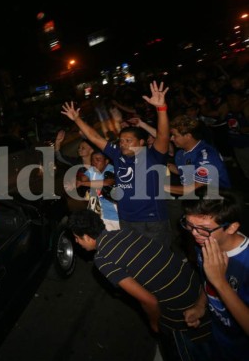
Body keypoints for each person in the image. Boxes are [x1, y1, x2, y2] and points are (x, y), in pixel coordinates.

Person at [70, 209, 213, 361]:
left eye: (77, 238)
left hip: (183, 313)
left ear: (86, 236)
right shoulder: (125, 232)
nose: (77, 242)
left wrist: (154, 323)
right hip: (200, 291)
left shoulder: (103, 259)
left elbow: (149, 300)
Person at [62, 81, 172, 247]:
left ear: (141, 142)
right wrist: (77, 119)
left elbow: (163, 136)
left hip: (152, 221)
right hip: (126, 220)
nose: (123, 144)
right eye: (121, 141)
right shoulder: (117, 155)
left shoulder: (152, 157)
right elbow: (95, 138)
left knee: (157, 261)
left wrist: (161, 109)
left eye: (129, 140)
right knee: (136, 262)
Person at [181, 191, 249, 361]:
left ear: (232, 227)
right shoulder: (204, 243)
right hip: (219, 335)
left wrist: (220, 282)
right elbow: (208, 281)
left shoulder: (246, 263)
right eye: (189, 225)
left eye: (203, 229)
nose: (194, 234)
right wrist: (200, 306)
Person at [167, 115, 231, 196]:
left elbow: (197, 188)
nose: (171, 138)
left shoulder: (206, 156)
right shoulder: (181, 153)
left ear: (188, 136)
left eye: (175, 135)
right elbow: (183, 171)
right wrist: (166, 165)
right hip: (199, 198)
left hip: (216, 200)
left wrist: (161, 187)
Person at [76, 150, 119, 230]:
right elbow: (83, 178)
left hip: (113, 215)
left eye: (98, 160)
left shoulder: (112, 169)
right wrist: (78, 179)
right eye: (92, 160)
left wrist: (82, 183)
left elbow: (107, 182)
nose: (94, 163)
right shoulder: (92, 170)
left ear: (106, 161)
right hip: (97, 214)